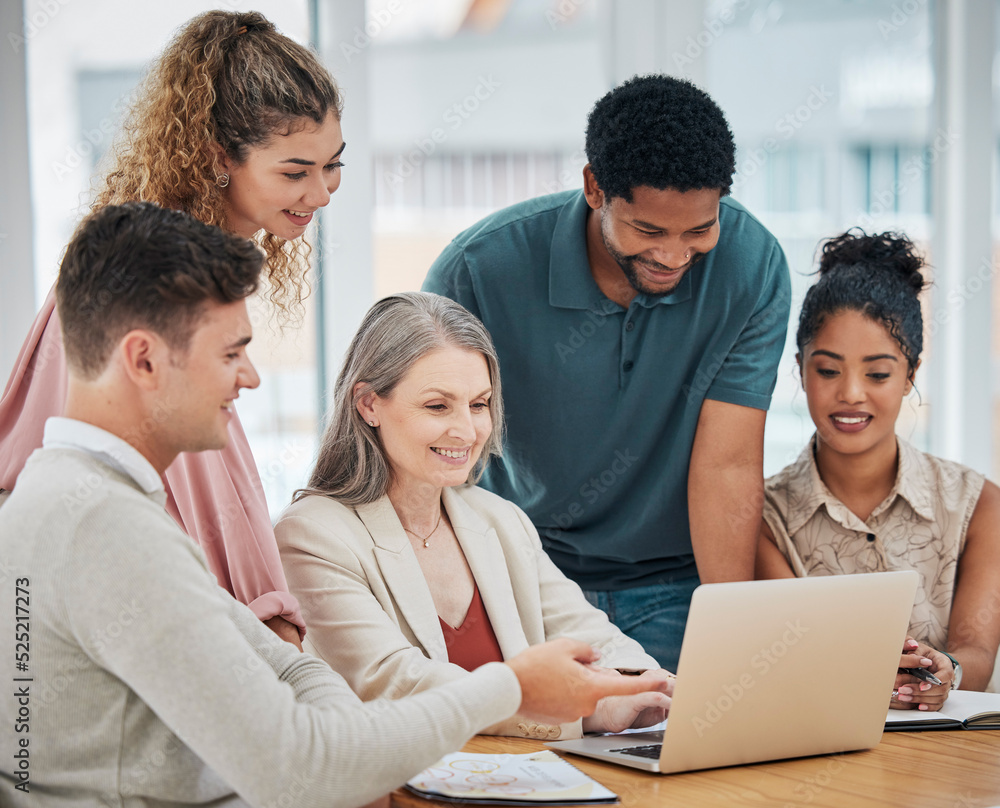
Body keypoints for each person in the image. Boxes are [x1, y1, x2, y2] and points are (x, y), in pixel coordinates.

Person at [0, 203, 661, 806]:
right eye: (232, 352)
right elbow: (306, 770)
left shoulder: (77, 498)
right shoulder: (105, 528)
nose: (251, 377)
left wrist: (331, 726)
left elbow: (284, 667)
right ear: (143, 361)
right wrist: (512, 686)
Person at [0, 10, 347, 647]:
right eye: (296, 172)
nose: (321, 194)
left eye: (333, 166)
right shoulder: (143, 290)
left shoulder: (201, 275)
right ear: (220, 158)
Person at [422, 75, 791, 670]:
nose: (675, 255)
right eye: (649, 230)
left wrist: (731, 636)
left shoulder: (752, 265)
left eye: (699, 229)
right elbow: (434, 454)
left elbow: (727, 464)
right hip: (523, 579)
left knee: (699, 751)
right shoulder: (478, 271)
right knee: (522, 758)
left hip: (676, 585)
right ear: (595, 187)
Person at [275, 292, 673, 740]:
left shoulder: (500, 520)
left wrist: (646, 685)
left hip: (520, 779)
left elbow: (590, 636)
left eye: (479, 404)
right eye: (437, 406)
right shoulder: (310, 535)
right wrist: (585, 712)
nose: (467, 430)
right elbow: (393, 682)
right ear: (368, 404)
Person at [755, 230, 1000, 710]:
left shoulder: (979, 504)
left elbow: (977, 652)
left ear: (911, 374)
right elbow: (794, 660)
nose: (850, 393)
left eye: (878, 373)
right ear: (800, 368)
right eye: (827, 370)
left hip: (953, 759)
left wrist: (948, 670)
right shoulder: (763, 515)